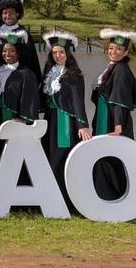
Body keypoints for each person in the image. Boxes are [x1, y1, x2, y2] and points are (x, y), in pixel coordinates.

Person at [92, 28, 136, 201]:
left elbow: (120, 101)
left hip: (112, 121)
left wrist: (118, 126)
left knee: (111, 158)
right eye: (111, 48)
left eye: (119, 49)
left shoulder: (121, 71)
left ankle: (112, 194)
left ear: (126, 52)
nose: (113, 52)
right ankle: (103, 192)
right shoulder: (113, 67)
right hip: (104, 117)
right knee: (102, 156)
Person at [40, 30, 91, 202]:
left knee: (62, 156)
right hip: (51, 120)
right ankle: (49, 194)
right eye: (54, 52)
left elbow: (78, 101)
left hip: (65, 122)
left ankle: (64, 198)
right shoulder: (49, 72)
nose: (58, 55)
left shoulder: (73, 75)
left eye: (61, 52)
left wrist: (82, 125)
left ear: (68, 53)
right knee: (48, 153)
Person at [0, 30, 40, 176]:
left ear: (19, 53)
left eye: (11, 51)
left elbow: (30, 100)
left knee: (13, 152)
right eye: (4, 51)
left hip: (13, 119)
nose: (7, 54)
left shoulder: (26, 73)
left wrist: (23, 119)